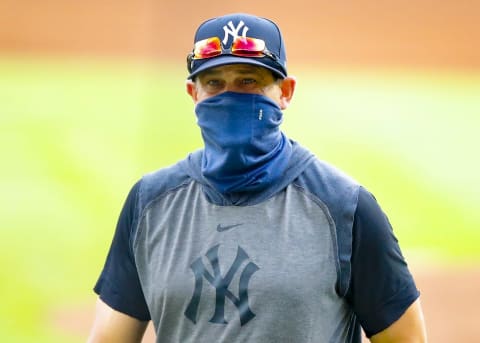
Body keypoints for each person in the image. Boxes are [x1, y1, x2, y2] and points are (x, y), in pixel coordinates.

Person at [88, 13, 427, 343]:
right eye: (214, 83)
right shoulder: (151, 202)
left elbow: (407, 338)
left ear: (286, 92)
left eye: (249, 81)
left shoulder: (345, 207)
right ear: (194, 94)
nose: (230, 95)